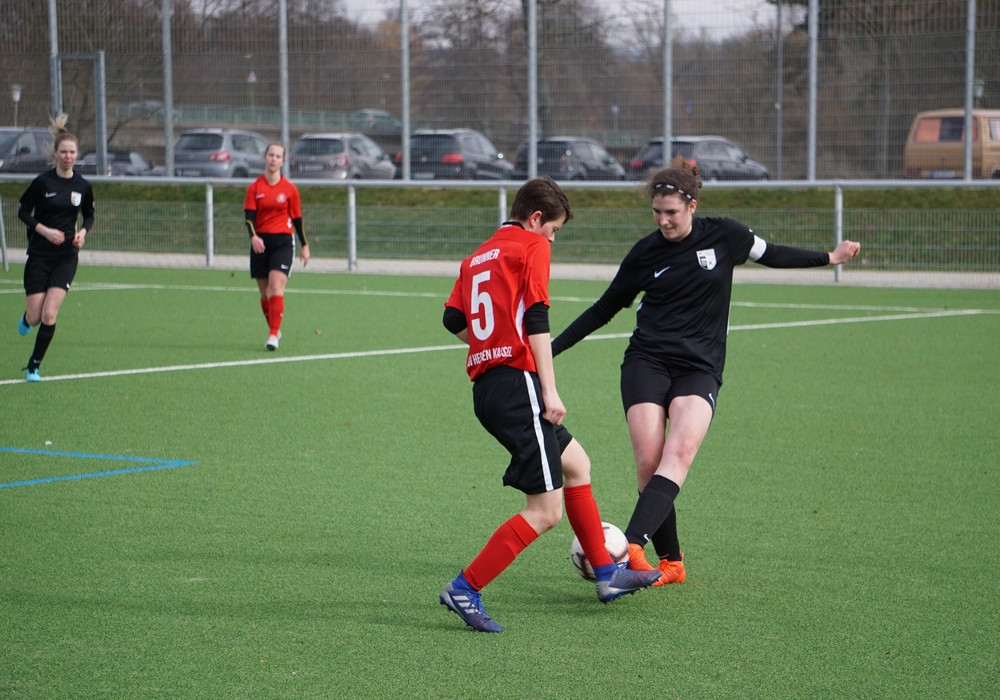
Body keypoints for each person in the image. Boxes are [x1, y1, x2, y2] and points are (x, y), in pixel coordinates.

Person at [551, 156, 861, 585]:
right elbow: (604, 309)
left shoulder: (726, 235)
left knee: (678, 454)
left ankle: (632, 546)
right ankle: (671, 563)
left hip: (700, 367)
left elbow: (772, 254)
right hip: (646, 361)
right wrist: (549, 350)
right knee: (648, 464)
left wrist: (830, 257)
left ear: (692, 206)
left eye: (671, 212)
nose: (663, 221)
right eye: (656, 212)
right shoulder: (645, 253)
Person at [439, 177, 661, 633]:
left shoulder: (477, 256)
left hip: (489, 388)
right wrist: (549, 389)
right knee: (545, 512)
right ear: (536, 218)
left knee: (577, 464)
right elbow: (537, 317)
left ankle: (607, 574)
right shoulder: (532, 245)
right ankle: (465, 588)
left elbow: (452, 318)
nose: (553, 239)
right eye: (554, 229)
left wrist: (490, 346)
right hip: (517, 385)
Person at [16, 115, 95, 383]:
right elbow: (23, 212)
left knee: (49, 314)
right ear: (56, 153)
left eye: (72, 152)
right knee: (35, 316)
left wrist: (82, 234)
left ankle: (33, 367)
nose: (68, 157)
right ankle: (26, 320)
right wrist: (45, 231)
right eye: (64, 152)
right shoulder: (42, 182)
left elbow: (89, 216)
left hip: (66, 258)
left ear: (77, 154)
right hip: (39, 255)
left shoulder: (82, 186)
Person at [244, 143, 309, 351]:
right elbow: (249, 218)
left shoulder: (290, 189)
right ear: (265, 158)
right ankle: (274, 327)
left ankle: (273, 335)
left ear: (282, 161)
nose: (273, 159)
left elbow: (297, 219)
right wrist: (254, 237)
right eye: (270, 155)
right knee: (265, 293)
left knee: (275, 287)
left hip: (283, 242)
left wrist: (305, 245)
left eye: (277, 156)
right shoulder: (254, 188)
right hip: (261, 243)